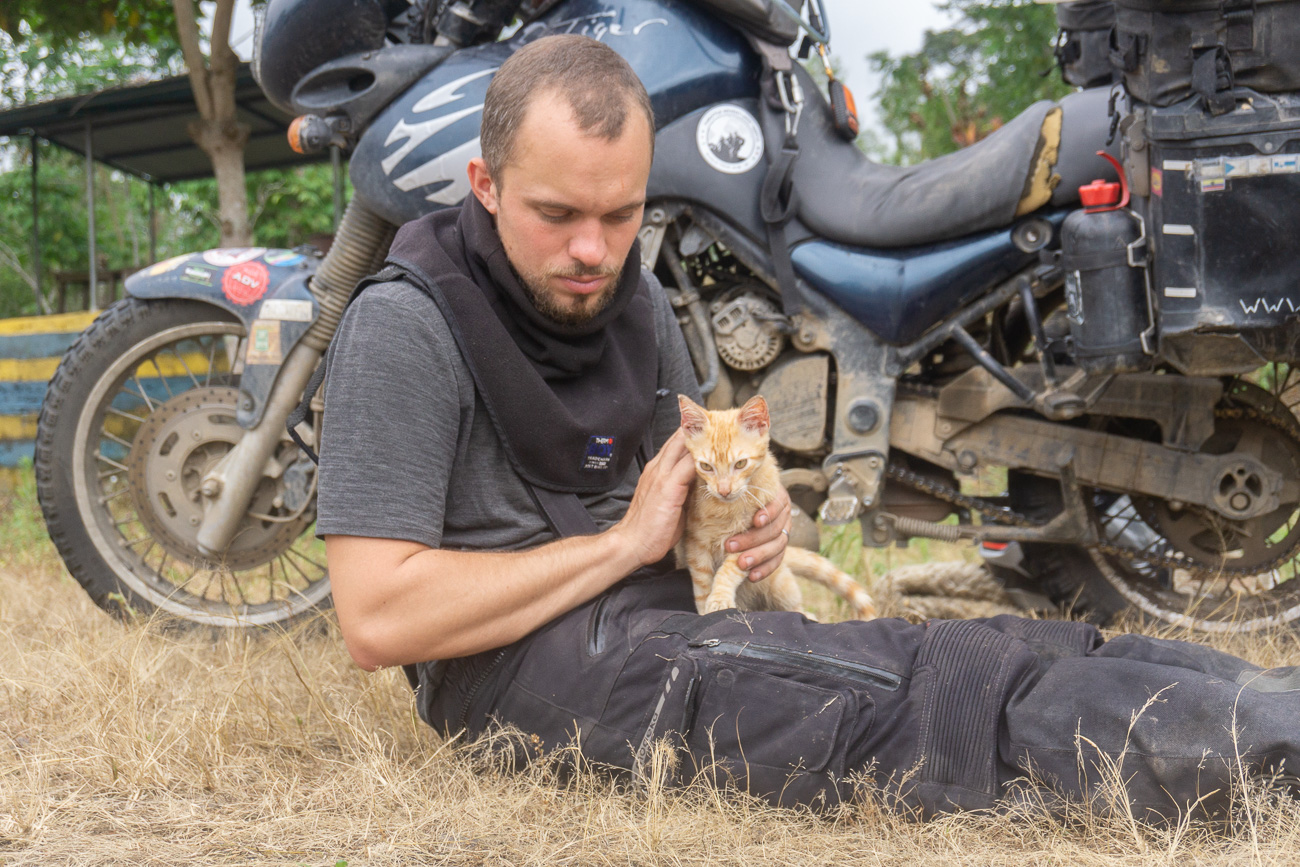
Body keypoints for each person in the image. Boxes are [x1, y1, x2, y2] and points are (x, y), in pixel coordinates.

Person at [317, 34, 1300, 820]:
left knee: (981, 643)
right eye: (556, 214)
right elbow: (378, 619)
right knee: (906, 708)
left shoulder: (633, 304)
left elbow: (695, 501)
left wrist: (755, 524)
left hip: (665, 618)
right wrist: (623, 545)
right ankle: (1267, 754)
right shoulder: (407, 323)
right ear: (484, 188)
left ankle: (1272, 702)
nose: (594, 250)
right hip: (521, 671)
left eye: (619, 216)